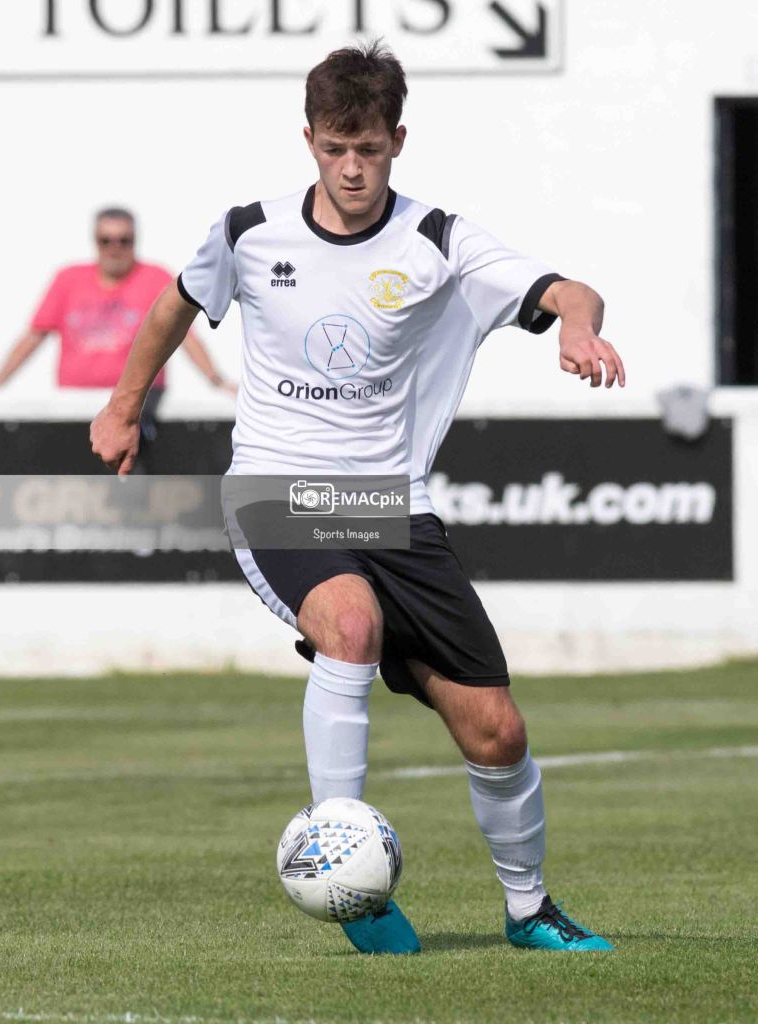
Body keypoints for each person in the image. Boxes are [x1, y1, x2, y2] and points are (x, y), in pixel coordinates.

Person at [90, 43, 626, 954]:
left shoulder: (437, 240)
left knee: (496, 731)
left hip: (391, 508)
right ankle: (347, 882)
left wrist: (576, 328)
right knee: (349, 623)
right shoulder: (250, 232)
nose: (351, 168)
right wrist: (123, 405)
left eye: (369, 149)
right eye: (336, 147)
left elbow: (568, 289)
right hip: (277, 489)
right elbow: (176, 303)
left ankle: (530, 910)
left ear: (397, 142)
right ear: (309, 140)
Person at [0, 207, 234, 465]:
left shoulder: (155, 278)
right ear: (95, 241)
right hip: (76, 407)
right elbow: (35, 335)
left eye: (124, 240)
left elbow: (184, 335)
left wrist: (216, 380)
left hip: (136, 407)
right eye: (106, 241)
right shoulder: (68, 279)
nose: (115, 248)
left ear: (135, 240)